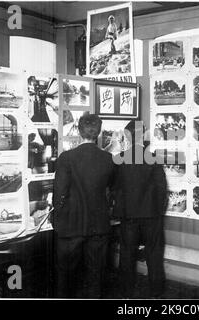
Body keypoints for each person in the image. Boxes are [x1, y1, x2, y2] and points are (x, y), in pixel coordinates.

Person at [53, 114, 116, 298]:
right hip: (98, 225)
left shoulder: (66, 158)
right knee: (96, 274)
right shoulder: (108, 159)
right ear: (98, 133)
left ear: (79, 131)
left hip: (71, 225)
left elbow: (60, 193)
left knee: (66, 275)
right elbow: (110, 190)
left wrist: (58, 218)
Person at [113, 120, 168, 298]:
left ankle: (126, 292)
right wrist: (158, 213)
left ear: (127, 136)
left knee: (127, 254)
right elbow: (162, 191)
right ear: (144, 136)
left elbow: (114, 190)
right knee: (154, 254)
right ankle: (156, 293)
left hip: (128, 216)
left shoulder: (119, 160)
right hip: (152, 216)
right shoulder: (154, 159)